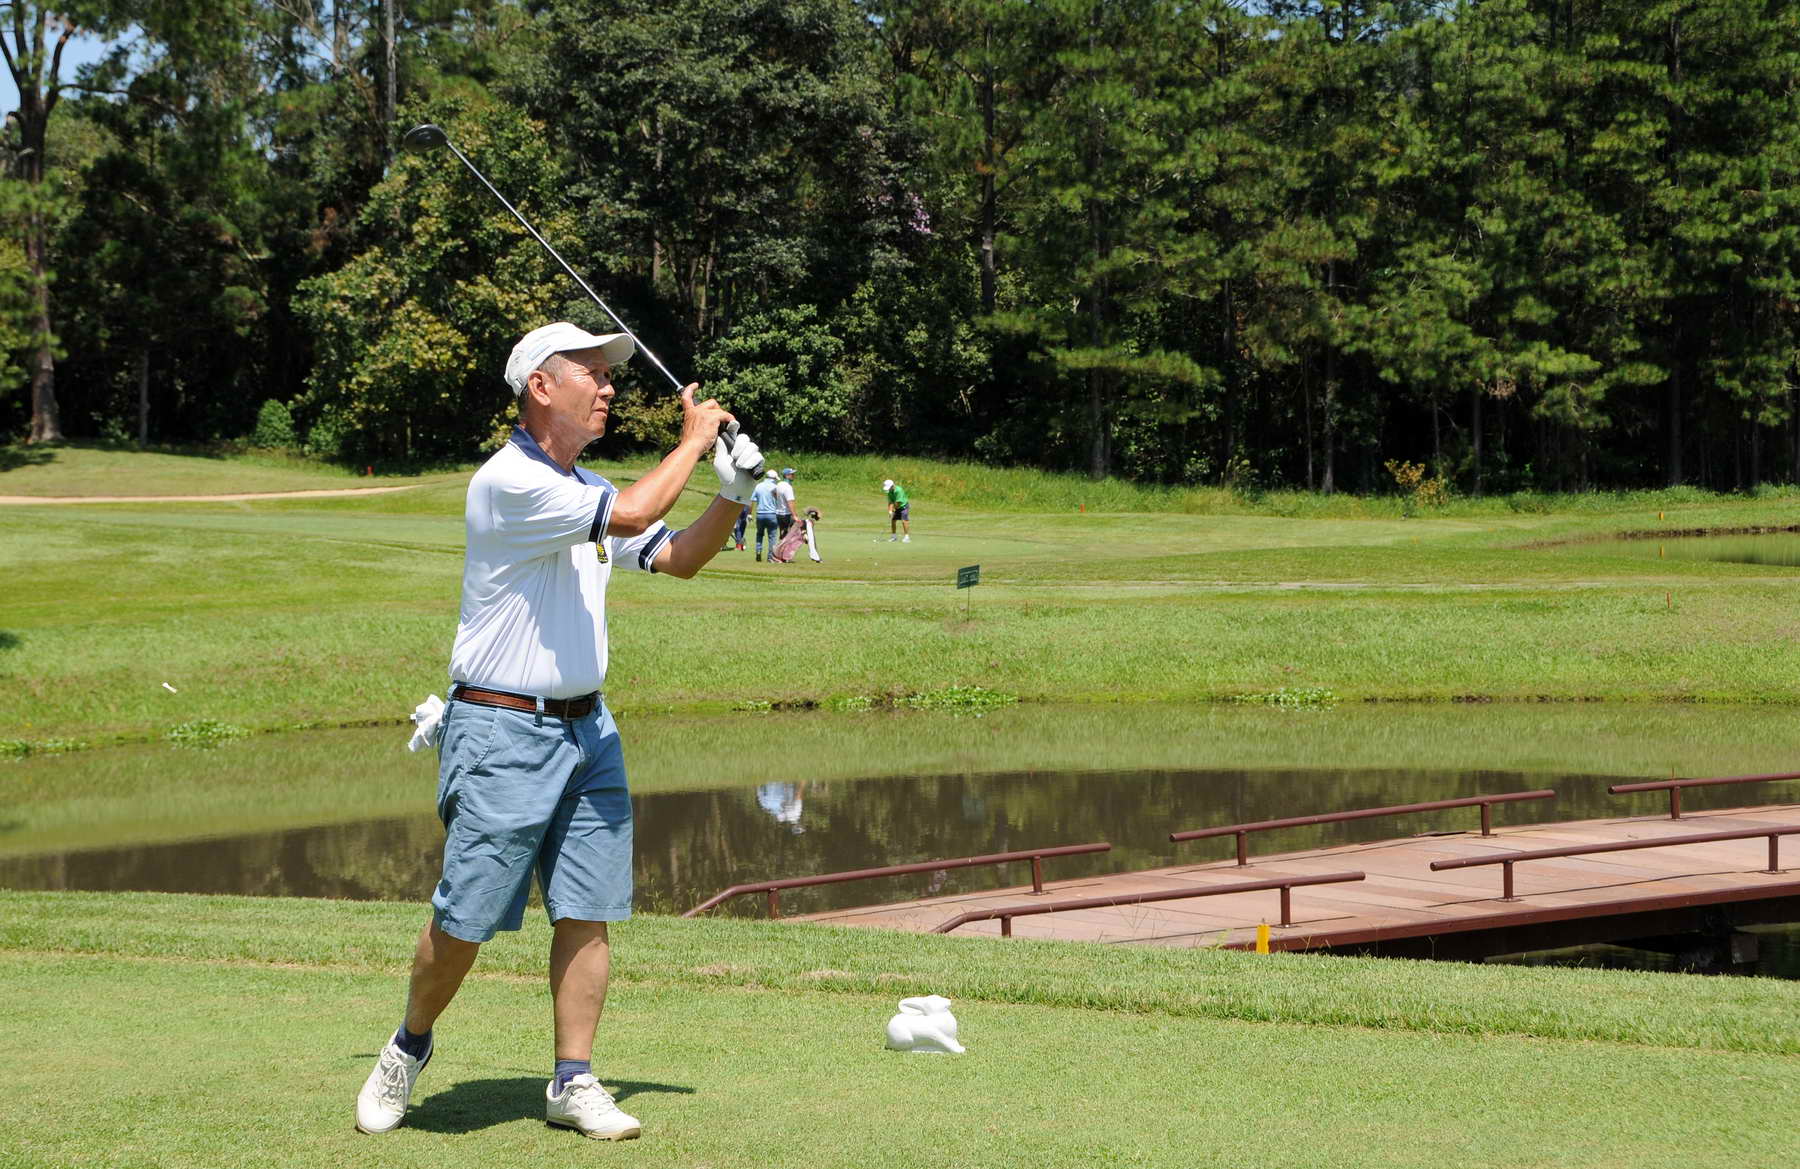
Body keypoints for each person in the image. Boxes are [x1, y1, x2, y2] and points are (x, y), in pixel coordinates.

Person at [354, 321, 763, 1143]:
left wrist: (734, 494)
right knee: (465, 918)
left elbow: (678, 556)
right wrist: (693, 440)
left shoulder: (587, 486)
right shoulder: (509, 482)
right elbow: (639, 508)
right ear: (541, 386)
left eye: (610, 374)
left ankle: (573, 1079)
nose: (608, 386)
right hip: (502, 730)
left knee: (587, 908)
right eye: (592, 373)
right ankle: (408, 1045)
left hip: (590, 732)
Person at [750, 470, 782, 562]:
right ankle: (770, 557)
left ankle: (758, 551)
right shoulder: (776, 487)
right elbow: (779, 502)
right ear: (774, 478)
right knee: (772, 537)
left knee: (759, 534)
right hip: (772, 514)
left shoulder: (758, 486)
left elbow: (752, 500)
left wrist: (749, 514)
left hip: (760, 514)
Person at [774, 467, 799, 542]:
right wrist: (794, 515)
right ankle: (784, 548)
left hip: (778, 514)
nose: (793, 475)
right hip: (786, 514)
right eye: (792, 474)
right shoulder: (788, 487)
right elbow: (790, 502)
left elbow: (773, 493)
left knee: (782, 535)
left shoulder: (779, 484)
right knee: (790, 535)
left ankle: (780, 548)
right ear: (787, 475)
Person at [883, 478, 911, 542]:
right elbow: (890, 502)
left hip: (903, 506)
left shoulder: (899, 490)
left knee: (904, 521)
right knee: (893, 520)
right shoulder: (890, 491)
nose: (888, 489)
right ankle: (894, 537)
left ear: (892, 485)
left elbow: (898, 502)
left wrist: (893, 509)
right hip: (896, 506)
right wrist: (890, 511)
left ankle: (907, 537)